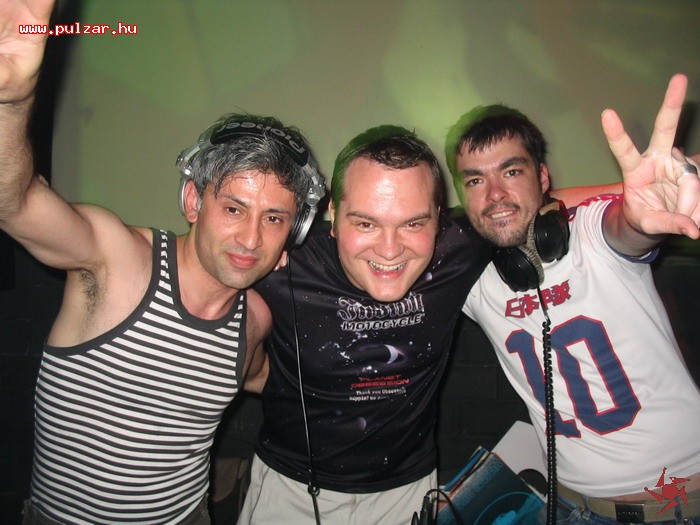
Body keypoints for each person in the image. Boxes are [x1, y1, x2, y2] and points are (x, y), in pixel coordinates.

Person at [0, 2, 325, 523]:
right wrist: (12, 98)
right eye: (234, 208)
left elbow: (267, 380)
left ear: (294, 231)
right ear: (193, 201)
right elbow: (14, 202)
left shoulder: (254, 321)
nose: (250, 238)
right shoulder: (115, 257)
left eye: (273, 218)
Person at [445, 74, 700, 524]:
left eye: (511, 171)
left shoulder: (592, 235)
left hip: (673, 508)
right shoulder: (473, 280)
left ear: (543, 177)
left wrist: (642, 210)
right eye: (475, 180)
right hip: (567, 507)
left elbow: (628, 228)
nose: (495, 194)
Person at [236, 125, 491, 525]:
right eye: (366, 224)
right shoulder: (283, 263)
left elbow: (528, 204)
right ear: (333, 216)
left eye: (413, 224)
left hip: (407, 494)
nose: (389, 250)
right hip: (289, 490)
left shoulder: (459, 250)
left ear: (439, 220)